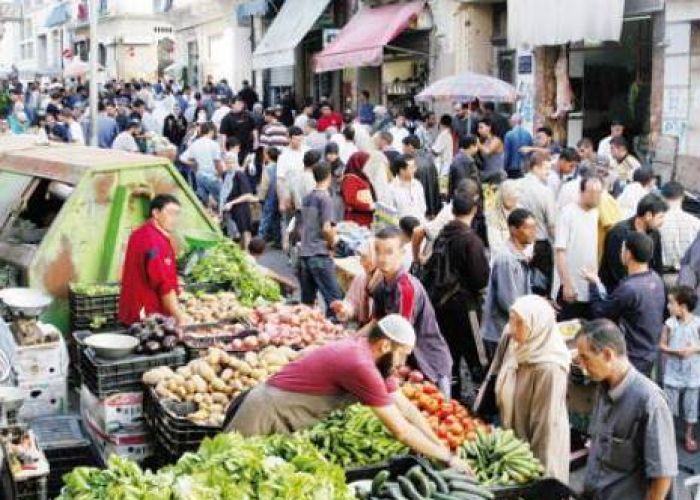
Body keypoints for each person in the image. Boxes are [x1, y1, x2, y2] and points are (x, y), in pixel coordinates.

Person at [225, 314, 471, 470]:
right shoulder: (360, 364)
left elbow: (406, 408)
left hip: (280, 416)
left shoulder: (371, 357)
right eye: (403, 354)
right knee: (228, 472)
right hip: (263, 413)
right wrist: (447, 460)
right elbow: (401, 430)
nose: (404, 362)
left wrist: (439, 445)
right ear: (385, 345)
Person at [575, 319, 677, 500]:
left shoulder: (650, 401)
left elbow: (663, 475)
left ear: (607, 354)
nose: (581, 366)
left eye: (585, 358)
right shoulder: (603, 388)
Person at [495, 295, 570, 482]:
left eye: (520, 323)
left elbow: (545, 429)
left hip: (537, 453)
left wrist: (535, 475)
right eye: (510, 320)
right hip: (514, 445)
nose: (512, 329)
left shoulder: (549, 368)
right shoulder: (516, 344)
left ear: (538, 326)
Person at [370, 226, 453, 394]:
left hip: (429, 365)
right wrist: (353, 342)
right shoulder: (381, 287)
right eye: (377, 251)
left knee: (435, 411)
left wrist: (391, 375)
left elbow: (401, 340)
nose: (382, 258)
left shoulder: (406, 289)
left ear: (402, 254)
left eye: (389, 252)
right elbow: (375, 324)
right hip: (408, 363)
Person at [428, 192, 490, 396]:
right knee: (477, 355)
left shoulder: (442, 235)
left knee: (448, 352)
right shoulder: (471, 241)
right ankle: (481, 401)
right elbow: (480, 278)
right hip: (466, 306)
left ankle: (450, 396)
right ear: (474, 210)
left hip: (441, 304)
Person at [583, 232, 666, 377]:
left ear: (628, 254)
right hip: (649, 353)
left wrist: (592, 285)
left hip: (632, 358)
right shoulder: (655, 279)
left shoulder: (630, 288)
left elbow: (601, 311)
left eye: (622, 249)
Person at [118, 195, 187, 326]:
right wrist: (178, 315)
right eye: (171, 213)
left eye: (177, 214)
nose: (174, 219)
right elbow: (163, 284)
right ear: (156, 213)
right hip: (146, 316)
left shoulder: (142, 232)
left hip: (132, 309)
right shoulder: (154, 242)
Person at [481, 209, 536, 355]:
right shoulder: (507, 259)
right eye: (527, 228)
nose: (533, 232)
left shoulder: (519, 256)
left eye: (534, 228)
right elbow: (509, 301)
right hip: (501, 333)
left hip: (511, 329)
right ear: (513, 230)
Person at [297, 162, 344, 316]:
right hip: (319, 254)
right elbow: (326, 228)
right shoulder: (325, 199)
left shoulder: (307, 198)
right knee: (335, 301)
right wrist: (333, 242)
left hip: (304, 254)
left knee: (307, 303)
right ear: (329, 177)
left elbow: (300, 226)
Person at [555, 176, 603, 320]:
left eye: (599, 193)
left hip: (590, 285)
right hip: (572, 286)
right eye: (592, 193)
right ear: (581, 192)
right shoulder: (567, 213)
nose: (596, 197)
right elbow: (560, 251)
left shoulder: (596, 213)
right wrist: (567, 283)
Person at [599, 192, 668, 291]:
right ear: (648, 215)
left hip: (642, 289)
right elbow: (616, 269)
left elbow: (657, 264)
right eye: (660, 217)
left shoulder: (655, 234)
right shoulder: (619, 233)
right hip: (617, 291)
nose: (663, 221)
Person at [660, 285, 700, 452]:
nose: (668, 306)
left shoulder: (697, 323)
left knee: (691, 406)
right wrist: (676, 352)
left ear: (682, 306)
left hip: (693, 373)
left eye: (671, 303)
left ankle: (689, 434)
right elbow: (662, 345)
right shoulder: (669, 324)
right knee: (669, 405)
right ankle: (667, 435)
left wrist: (693, 349)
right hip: (673, 373)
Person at [516, 152, 557, 296]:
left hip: (518, 243)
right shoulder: (545, 192)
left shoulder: (516, 186)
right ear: (535, 167)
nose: (549, 172)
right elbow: (552, 224)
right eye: (546, 168)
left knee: (520, 288)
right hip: (540, 245)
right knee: (540, 290)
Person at [331, 238, 379, 325]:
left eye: (364, 258)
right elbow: (352, 302)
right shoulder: (361, 278)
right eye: (361, 257)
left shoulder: (385, 283)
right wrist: (344, 308)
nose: (361, 262)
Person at [221, 137, 256, 249]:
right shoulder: (226, 175)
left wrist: (232, 203)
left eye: (232, 162)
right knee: (234, 235)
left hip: (241, 208)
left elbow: (247, 195)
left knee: (244, 232)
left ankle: (247, 253)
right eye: (227, 162)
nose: (230, 165)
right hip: (229, 209)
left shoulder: (239, 175)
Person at [179, 122, 224, 206]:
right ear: (211, 131)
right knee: (222, 200)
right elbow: (217, 162)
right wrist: (221, 174)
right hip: (213, 176)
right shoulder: (214, 144)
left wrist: (193, 163)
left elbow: (182, 158)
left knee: (203, 203)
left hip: (199, 176)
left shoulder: (195, 144)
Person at [660, 181, 700, 273]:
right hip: (687, 276)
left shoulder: (656, 222)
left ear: (662, 197)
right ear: (682, 197)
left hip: (662, 273)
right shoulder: (696, 223)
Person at [403, 135, 441, 218]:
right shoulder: (429, 158)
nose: (403, 150)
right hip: (433, 205)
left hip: (420, 208)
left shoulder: (411, 163)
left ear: (410, 146)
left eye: (404, 147)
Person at [485, 180, 521, 256]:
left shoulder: (520, 211)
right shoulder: (493, 215)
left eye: (513, 197)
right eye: (508, 196)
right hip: (502, 259)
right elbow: (495, 246)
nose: (512, 200)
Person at [387, 155, 426, 222]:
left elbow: (423, 207)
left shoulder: (417, 184)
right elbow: (390, 215)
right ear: (401, 170)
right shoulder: (391, 189)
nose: (415, 169)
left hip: (419, 227)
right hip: (402, 229)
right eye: (411, 167)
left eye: (414, 166)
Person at [341, 151, 375, 227]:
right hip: (357, 220)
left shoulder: (363, 177)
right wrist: (368, 206)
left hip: (365, 219)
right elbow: (350, 200)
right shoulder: (351, 179)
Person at [219, 96, 257, 164]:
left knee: (247, 165)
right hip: (233, 148)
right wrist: (223, 148)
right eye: (238, 104)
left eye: (242, 104)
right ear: (232, 104)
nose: (241, 106)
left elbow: (254, 128)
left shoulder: (248, 115)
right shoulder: (226, 118)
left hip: (247, 146)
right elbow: (223, 134)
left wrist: (256, 141)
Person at [258, 146, 281, 247]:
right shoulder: (280, 167)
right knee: (276, 219)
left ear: (268, 156)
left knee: (265, 219)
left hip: (269, 197)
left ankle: (259, 240)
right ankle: (278, 240)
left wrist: (261, 197)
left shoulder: (267, 168)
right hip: (279, 196)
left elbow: (264, 186)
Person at [448, 135, 479, 200]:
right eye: (476, 146)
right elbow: (465, 182)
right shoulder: (467, 161)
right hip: (464, 197)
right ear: (471, 146)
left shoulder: (457, 158)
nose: (477, 148)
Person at [503, 114, 533, 179]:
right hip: (525, 167)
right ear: (521, 121)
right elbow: (531, 152)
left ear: (512, 122)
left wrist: (504, 167)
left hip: (512, 168)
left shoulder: (509, 134)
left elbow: (507, 154)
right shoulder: (528, 134)